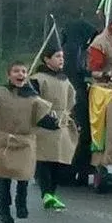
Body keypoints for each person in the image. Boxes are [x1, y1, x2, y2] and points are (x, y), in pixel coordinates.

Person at [0, 61, 59, 223]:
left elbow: (42, 118)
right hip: (4, 141)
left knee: (24, 175)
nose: (20, 74)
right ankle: (4, 209)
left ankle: (21, 202)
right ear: (9, 75)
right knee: (5, 176)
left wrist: (55, 121)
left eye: (23, 71)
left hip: (24, 142)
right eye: (16, 71)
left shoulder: (33, 98)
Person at [31, 31, 78, 210]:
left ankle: (53, 192)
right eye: (57, 56)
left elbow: (71, 99)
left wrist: (68, 115)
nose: (61, 60)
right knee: (44, 160)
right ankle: (46, 193)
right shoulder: (37, 79)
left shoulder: (65, 79)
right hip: (44, 124)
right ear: (46, 59)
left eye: (62, 57)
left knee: (59, 160)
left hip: (62, 124)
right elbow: (33, 101)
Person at [62, 20, 98, 186]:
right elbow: (75, 70)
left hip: (74, 92)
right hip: (76, 94)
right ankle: (77, 171)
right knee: (80, 134)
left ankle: (75, 171)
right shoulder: (74, 49)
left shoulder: (71, 46)